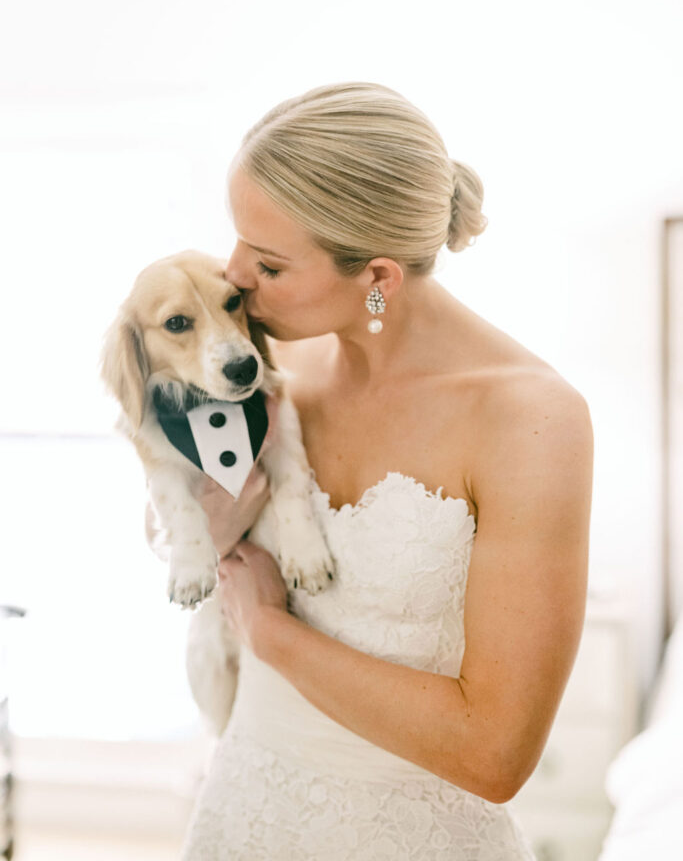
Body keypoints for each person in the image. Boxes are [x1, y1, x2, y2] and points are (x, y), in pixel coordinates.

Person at [180, 81, 593, 860]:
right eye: (236, 240)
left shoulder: (532, 420)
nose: (232, 275)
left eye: (267, 262)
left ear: (377, 278)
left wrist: (270, 632)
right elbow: (182, 530)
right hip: (242, 810)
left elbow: (494, 754)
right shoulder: (270, 360)